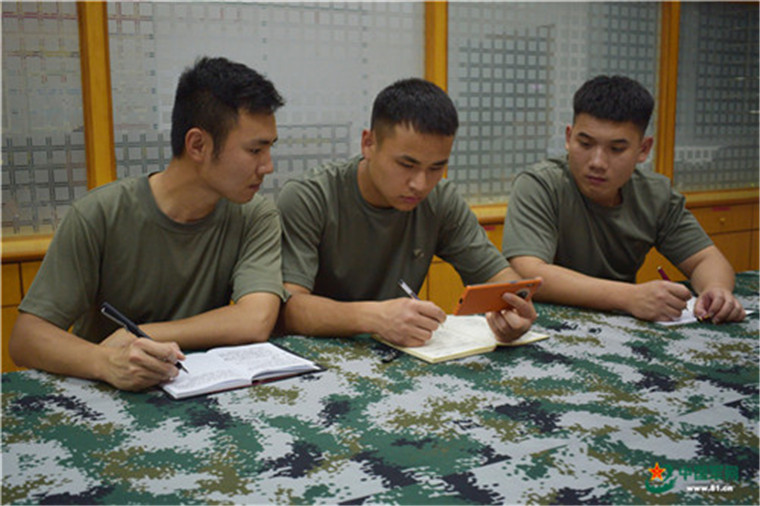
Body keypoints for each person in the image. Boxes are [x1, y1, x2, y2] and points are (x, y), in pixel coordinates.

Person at [10, 56, 287, 391]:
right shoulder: (100, 214)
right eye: (255, 150)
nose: (267, 166)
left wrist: (139, 334)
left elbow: (255, 320)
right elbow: (27, 339)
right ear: (198, 145)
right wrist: (105, 361)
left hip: (199, 389)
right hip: (107, 395)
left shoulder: (255, 215)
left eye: (269, 148)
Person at [276, 78, 538, 347]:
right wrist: (375, 317)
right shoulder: (311, 198)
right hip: (316, 356)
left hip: (398, 355)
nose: (420, 184)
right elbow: (288, 310)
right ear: (368, 143)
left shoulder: (440, 200)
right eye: (406, 165)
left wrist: (516, 312)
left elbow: (503, 280)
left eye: (436, 168)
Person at [503, 75, 745, 324]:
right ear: (568, 137)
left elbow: (706, 259)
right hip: (547, 325)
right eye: (585, 144)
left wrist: (716, 291)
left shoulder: (655, 194)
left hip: (622, 326)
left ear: (643, 149)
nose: (597, 162)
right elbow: (527, 272)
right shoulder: (541, 185)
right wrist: (629, 297)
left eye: (616, 149)